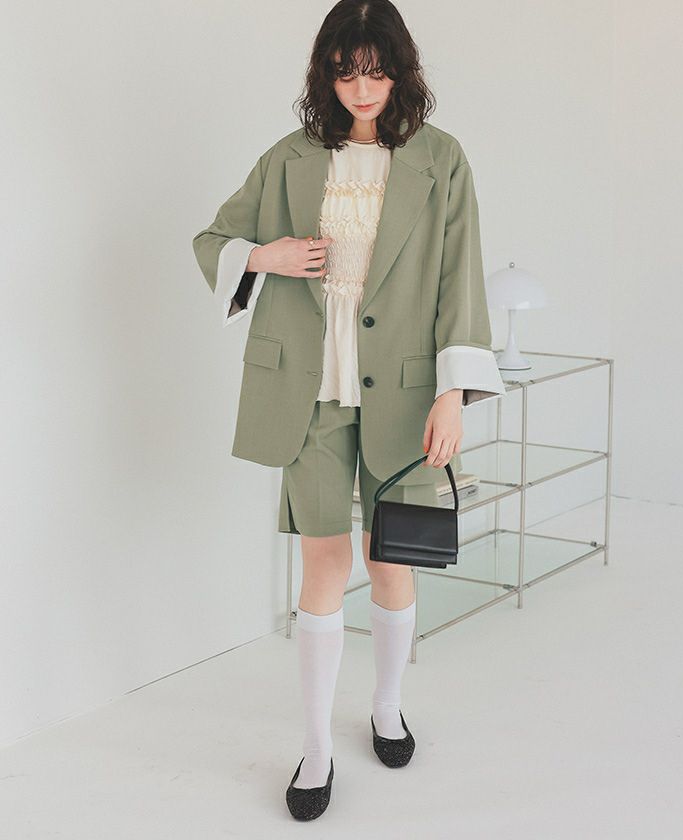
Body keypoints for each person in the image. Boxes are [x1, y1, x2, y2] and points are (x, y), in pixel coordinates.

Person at [192, 0, 506, 821]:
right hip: (311, 390)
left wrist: (453, 394)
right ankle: (316, 748)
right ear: (325, 74)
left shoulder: (442, 159)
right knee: (325, 564)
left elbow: (460, 280)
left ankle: (388, 706)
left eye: (375, 71)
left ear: (400, 71)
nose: (361, 88)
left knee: (393, 559)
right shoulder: (289, 158)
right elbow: (211, 241)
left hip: (405, 391)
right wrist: (267, 255)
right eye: (345, 72)